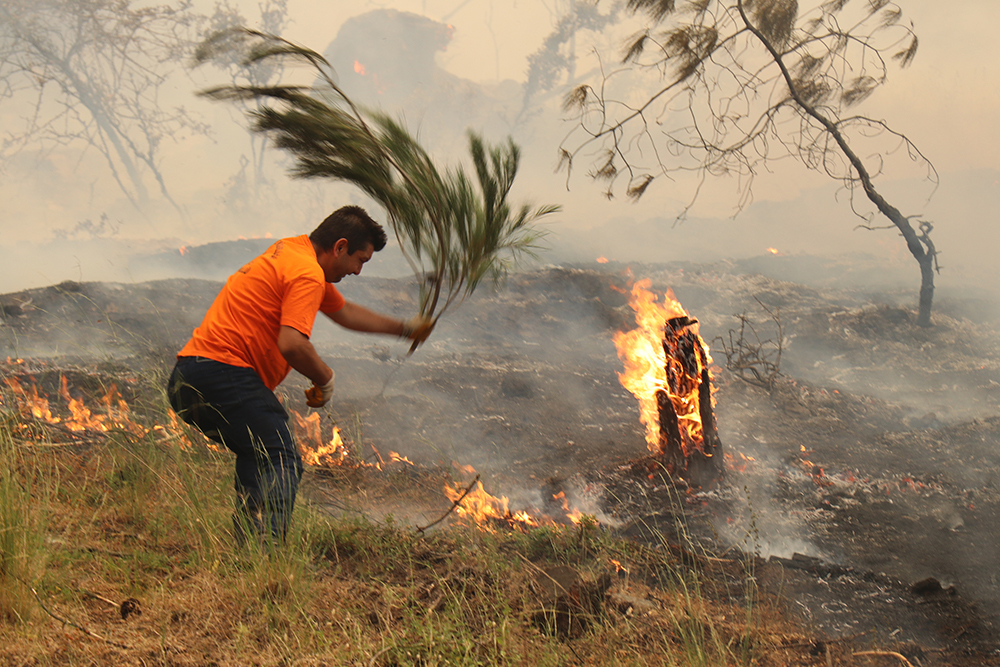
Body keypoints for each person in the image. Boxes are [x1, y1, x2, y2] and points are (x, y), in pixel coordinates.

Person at [167, 205, 432, 544]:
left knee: (259, 451)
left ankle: (250, 546)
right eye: (359, 260)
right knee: (280, 455)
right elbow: (292, 344)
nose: (358, 271)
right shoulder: (307, 272)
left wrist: (405, 329)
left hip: (187, 377)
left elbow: (344, 311)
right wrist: (325, 378)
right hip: (224, 373)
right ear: (339, 246)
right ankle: (268, 551)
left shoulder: (290, 251)